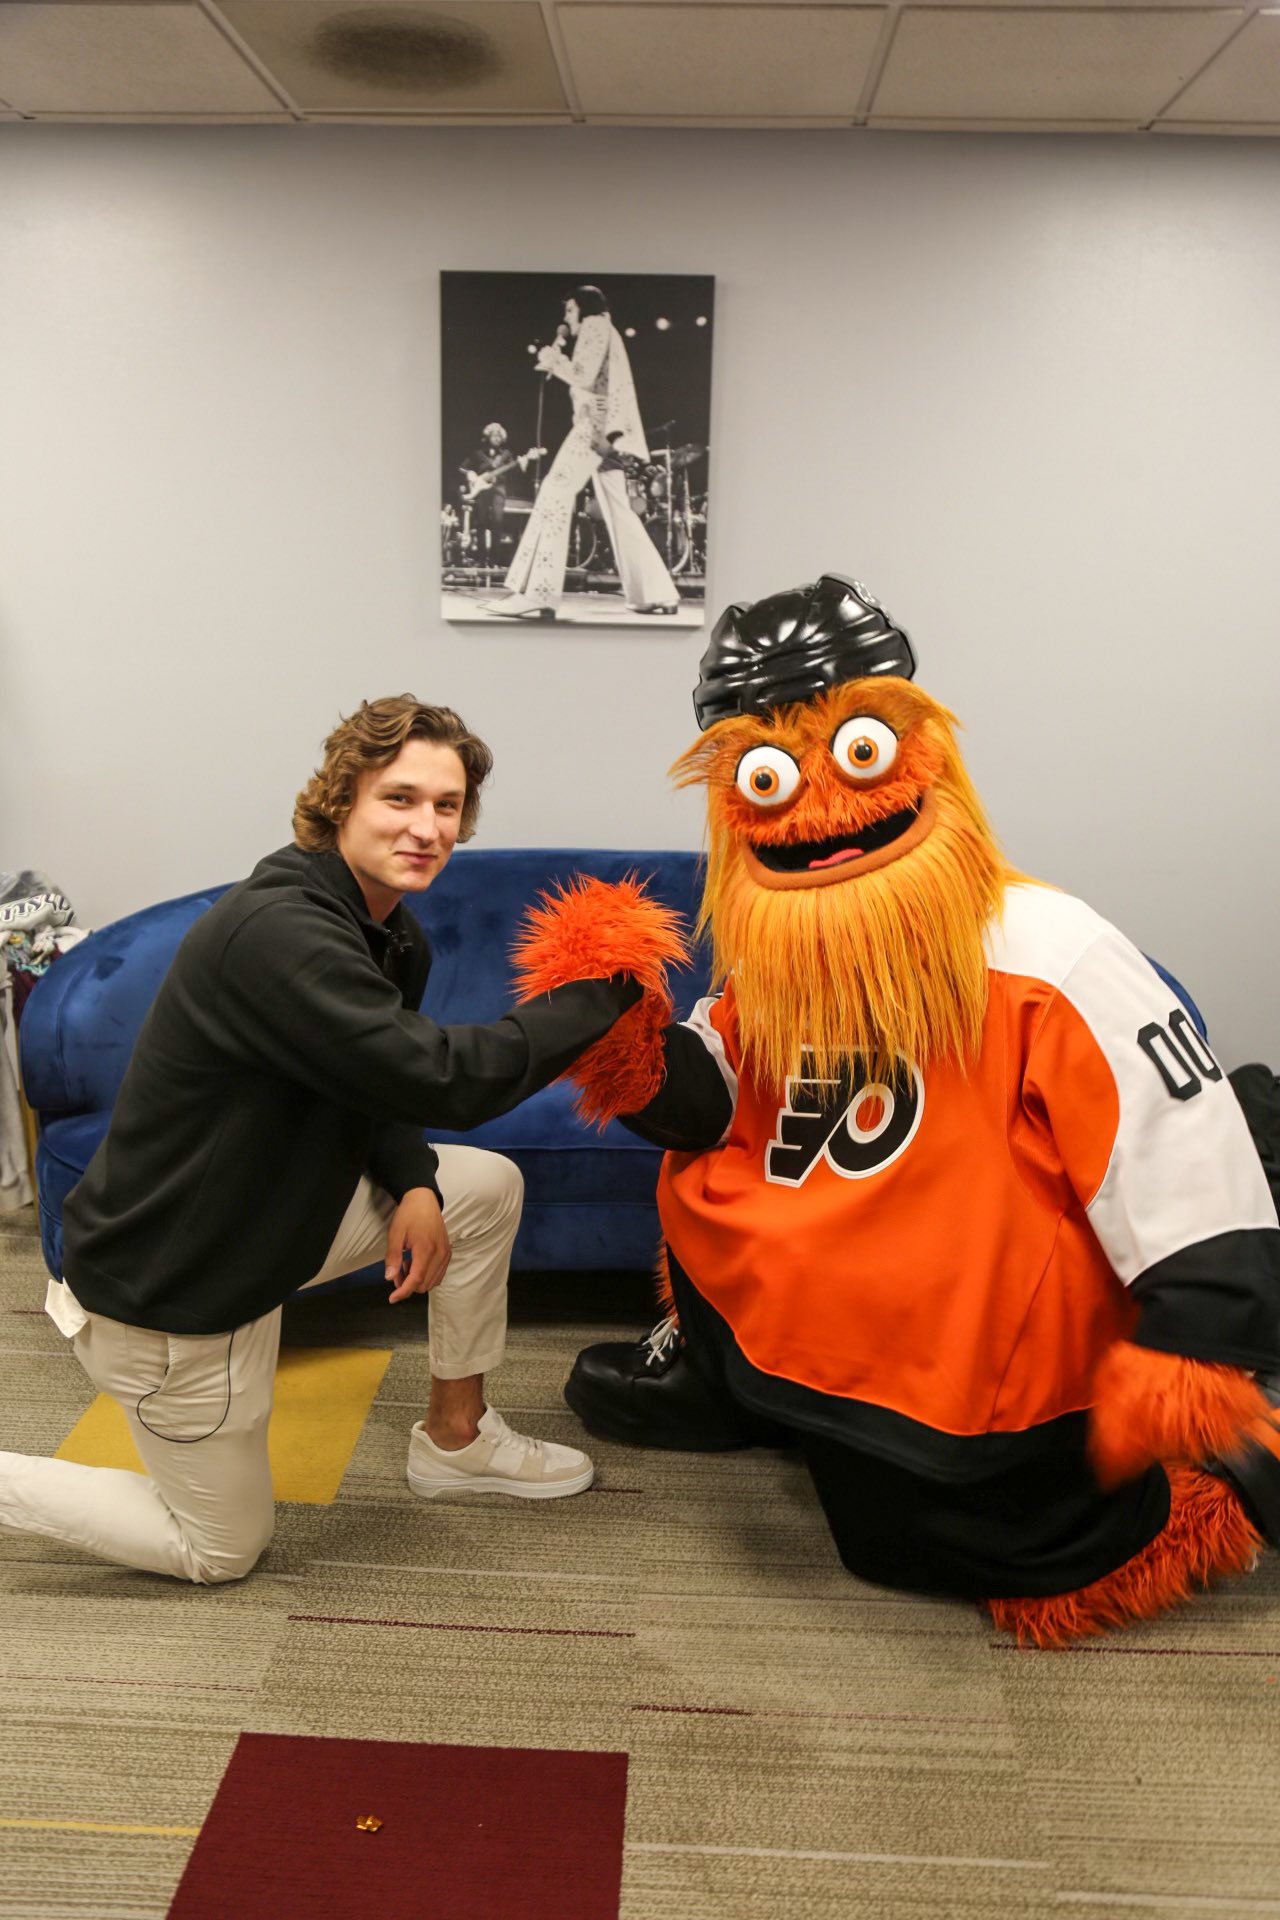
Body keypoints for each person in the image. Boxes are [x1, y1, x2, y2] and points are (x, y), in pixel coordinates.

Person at [517, 575, 1280, 1645]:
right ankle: (725, 1378)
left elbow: (1174, 1149)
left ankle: (1233, 1458)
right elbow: (714, 1099)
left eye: (858, 752)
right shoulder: (776, 950)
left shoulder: (1047, 949)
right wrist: (623, 1042)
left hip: (966, 1350)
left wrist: (1203, 1346)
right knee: (715, 1207)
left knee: (945, 1547)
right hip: (813, 1294)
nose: (819, 808)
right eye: (770, 777)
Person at [0, 697, 643, 1584]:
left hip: (268, 1226)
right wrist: (606, 991)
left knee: (479, 1188)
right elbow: (442, 1078)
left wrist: (414, 1183)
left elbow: (378, 1080)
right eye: (399, 798)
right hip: (177, 1291)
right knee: (220, 1549)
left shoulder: (387, 931)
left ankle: (456, 1441)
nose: (427, 827)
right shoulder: (284, 933)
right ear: (342, 800)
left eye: (447, 806)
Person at [483, 286, 679, 621]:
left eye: (569, 310)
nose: (566, 318)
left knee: (553, 494)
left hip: (592, 430)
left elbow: (583, 376)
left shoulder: (594, 325)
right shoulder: (608, 329)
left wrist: (554, 359)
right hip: (608, 433)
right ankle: (656, 593)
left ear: (583, 308)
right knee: (620, 512)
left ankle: (536, 594)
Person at [458, 423, 529, 566]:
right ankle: (481, 558)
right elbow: (462, 468)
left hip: (499, 490)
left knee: (497, 522)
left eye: (499, 436)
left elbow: (517, 471)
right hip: (481, 490)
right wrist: (470, 474)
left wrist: (523, 463)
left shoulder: (506, 454)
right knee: (481, 522)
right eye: (494, 435)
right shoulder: (478, 453)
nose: (496, 438)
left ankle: (494, 560)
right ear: (488, 437)